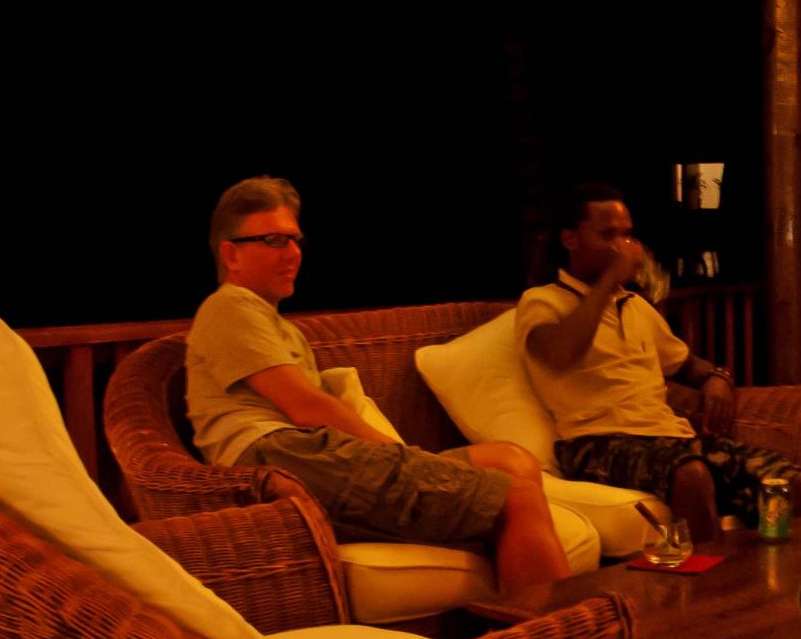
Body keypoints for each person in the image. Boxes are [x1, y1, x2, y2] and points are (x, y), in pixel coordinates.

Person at [184, 176, 570, 592]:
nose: (293, 253)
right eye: (274, 240)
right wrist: (394, 451)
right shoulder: (230, 306)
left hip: (308, 457)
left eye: (296, 240)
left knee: (511, 460)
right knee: (517, 497)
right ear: (231, 254)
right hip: (280, 458)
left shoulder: (272, 322)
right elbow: (306, 407)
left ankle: (514, 616)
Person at [519, 182, 801, 540]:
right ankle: (713, 589)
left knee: (793, 486)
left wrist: (717, 378)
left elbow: (687, 365)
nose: (623, 247)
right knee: (690, 474)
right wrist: (611, 279)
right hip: (594, 443)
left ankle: (773, 583)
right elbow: (559, 354)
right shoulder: (542, 302)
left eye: (627, 235)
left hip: (669, 439)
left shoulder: (635, 308)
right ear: (570, 239)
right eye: (607, 235)